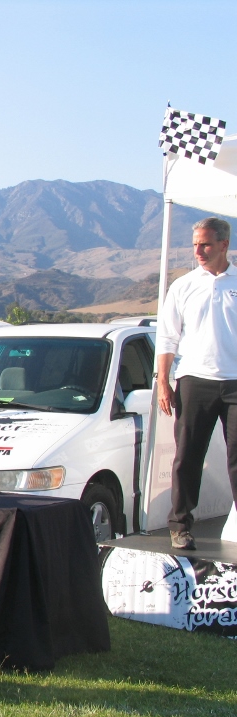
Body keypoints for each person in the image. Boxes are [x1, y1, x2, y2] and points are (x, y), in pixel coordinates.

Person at [156, 216, 237, 551]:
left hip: (235, 383)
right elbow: (167, 337)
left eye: (205, 244)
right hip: (194, 381)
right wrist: (163, 382)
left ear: (223, 244)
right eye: (194, 245)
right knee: (187, 456)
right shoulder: (183, 285)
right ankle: (180, 525)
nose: (198, 251)